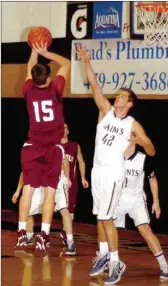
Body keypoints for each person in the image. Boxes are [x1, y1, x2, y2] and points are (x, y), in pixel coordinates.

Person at [77, 44, 155, 285]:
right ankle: (103, 255)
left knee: (107, 219)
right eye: (118, 95)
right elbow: (95, 85)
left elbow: (151, 150)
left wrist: (139, 140)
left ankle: (116, 261)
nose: (117, 97)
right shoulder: (106, 111)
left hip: (113, 173)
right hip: (98, 170)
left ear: (129, 103)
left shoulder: (132, 123)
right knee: (100, 217)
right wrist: (85, 60)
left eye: (122, 96)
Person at [16, 42, 70, 251]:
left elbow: (31, 69)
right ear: (48, 78)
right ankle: (44, 234)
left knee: (28, 190)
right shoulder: (55, 89)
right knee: (50, 192)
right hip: (53, 148)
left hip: (32, 146)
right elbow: (65, 64)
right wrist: (46, 53)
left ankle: (22, 232)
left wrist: (33, 52)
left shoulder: (28, 89)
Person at [114, 139, 168, 281]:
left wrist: (156, 201)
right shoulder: (115, 156)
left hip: (136, 199)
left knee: (145, 230)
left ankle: (164, 266)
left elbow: (152, 179)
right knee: (105, 226)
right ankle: (109, 260)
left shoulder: (143, 158)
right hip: (118, 199)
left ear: (134, 139)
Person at [12, 153, 76, 255]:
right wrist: (18, 190)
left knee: (64, 210)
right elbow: (25, 171)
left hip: (57, 180)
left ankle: (70, 242)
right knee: (28, 212)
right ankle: (28, 238)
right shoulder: (34, 148)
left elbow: (65, 160)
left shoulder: (55, 144)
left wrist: (67, 178)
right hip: (41, 181)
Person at [60, 123, 89, 245]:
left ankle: (66, 233)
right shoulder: (53, 145)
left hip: (70, 182)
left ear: (68, 131)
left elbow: (81, 162)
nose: (62, 129)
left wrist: (83, 178)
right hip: (54, 181)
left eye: (65, 127)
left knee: (70, 209)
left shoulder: (74, 146)